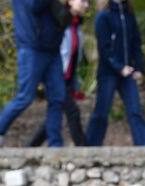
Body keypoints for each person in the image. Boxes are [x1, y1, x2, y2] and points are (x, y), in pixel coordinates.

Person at [0, 0, 68, 147]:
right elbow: (34, 5)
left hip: (53, 49)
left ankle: (55, 144)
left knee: (58, 98)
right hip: (32, 48)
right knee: (25, 97)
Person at [86, 0, 145, 147]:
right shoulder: (103, 16)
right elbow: (104, 48)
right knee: (101, 112)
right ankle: (90, 147)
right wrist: (119, 67)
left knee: (135, 110)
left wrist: (138, 68)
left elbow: (136, 42)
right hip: (108, 73)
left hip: (128, 72)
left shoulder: (129, 14)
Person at [30, 0, 90, 147]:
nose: (86, 5)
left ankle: (31, 147)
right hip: (57, 76)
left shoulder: (77, 27)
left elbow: (74, 58)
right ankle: (83, 149)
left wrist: (74, 84)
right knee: (73, 112)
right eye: (82, 1)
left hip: (67, 79)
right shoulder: (61, 24)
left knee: (53, 118)